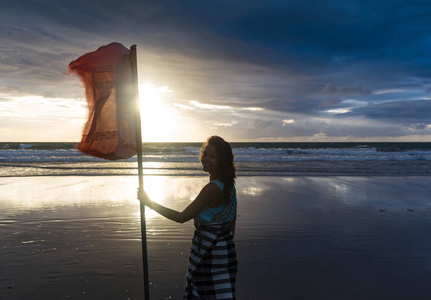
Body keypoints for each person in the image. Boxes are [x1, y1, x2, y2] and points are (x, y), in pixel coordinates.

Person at [137, 135, 238, 299]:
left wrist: (149, 202)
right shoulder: (229, 185)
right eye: (205, 154)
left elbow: (182, 217)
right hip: (225, 249)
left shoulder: (211, 189)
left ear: (222, 161)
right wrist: (222, 244)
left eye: (212, 156)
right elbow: (232, 222)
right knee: (221, 292)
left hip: (208, 251)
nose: (205, 159)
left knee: (202, 292)